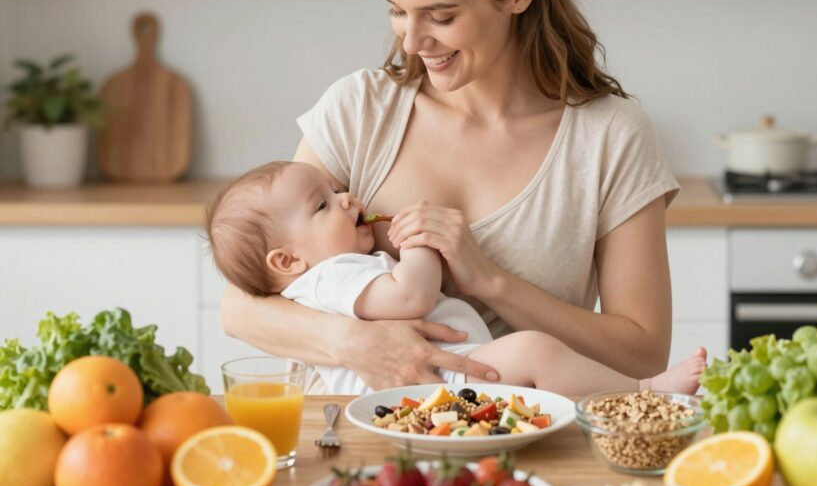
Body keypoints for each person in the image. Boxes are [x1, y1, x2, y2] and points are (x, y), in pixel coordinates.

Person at [221, 0, 701, 389]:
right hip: (357, 442)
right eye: (397, 11)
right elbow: (242, 305)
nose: (410, 42)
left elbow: (643, 356)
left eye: (441, 17)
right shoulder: (359, 111)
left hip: (532, 443)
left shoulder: (611, 138)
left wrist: (491, 280)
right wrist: (363, 346)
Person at [206, 160, 706, 395]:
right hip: (431, 381)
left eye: (336, 190)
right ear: (288, 262)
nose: (346, 199)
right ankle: (643, 392)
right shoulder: (327, 279)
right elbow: (412, 296)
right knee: (532, 352)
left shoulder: (333, 269)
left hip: (444, 377)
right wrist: (419, 242)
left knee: (534, 362)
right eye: (323, 204)